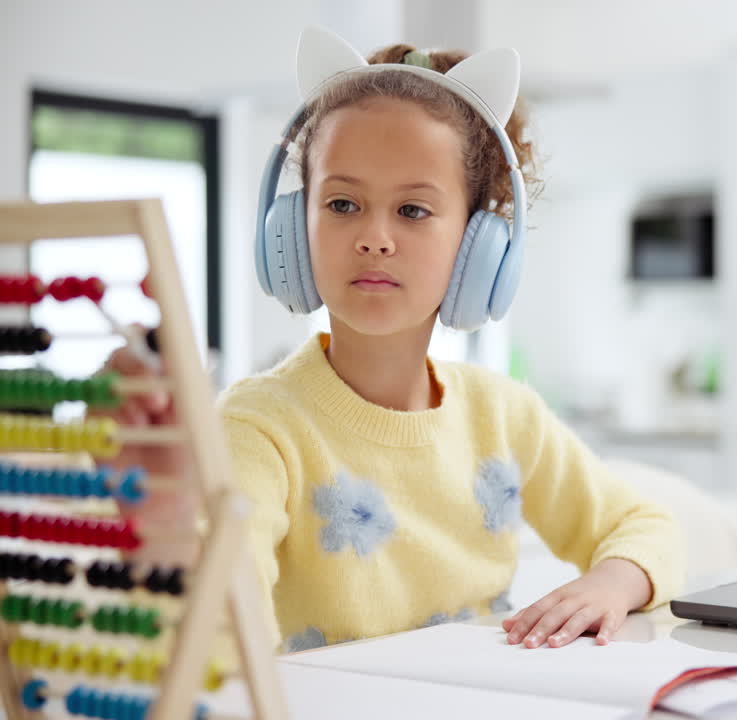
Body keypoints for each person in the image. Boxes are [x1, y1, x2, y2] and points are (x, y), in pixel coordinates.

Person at [104, 25, 683, 653]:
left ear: (478, 244)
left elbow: (645, 526)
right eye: (343, 204)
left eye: (412, 210)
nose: (373, 237)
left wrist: (611, 584)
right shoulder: (258, 426)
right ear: (293, 229)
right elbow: (220, 621)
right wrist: (165, 517)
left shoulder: (504, 416)